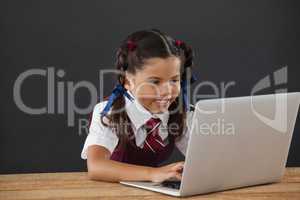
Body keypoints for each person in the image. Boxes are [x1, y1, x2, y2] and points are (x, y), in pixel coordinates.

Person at [81, 28, 197, 183]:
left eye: (174, 80)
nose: (167, 91)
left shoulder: (179, 111)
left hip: (151, 192)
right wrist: (153, 174)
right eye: (155, 82)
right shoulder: (110, 112)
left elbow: (204, 155)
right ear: (128, 81)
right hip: (113, 191)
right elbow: (96, 167)